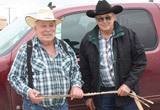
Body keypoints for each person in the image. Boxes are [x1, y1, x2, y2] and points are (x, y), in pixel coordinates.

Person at [8, 8, 83, 110]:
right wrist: (28, 92)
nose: (48, 29)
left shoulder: (65, 47)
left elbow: (75, 71)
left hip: (62, 106)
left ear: (55, 27)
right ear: (35, 29)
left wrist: (76, 85)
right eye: (43, 26)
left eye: (51, 25)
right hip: (35, 107)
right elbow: (14, 77)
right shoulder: (26, 49)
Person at [79, 0, 147, 110]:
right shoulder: (87, 40)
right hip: (102, 95)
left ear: (114, 17)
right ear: (96, 20)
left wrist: (128, 84)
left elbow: (140, 62)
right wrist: (89, 95)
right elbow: (84, 71)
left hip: (126, 93)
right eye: (100, 18)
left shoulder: (129, 35)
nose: (104, 21)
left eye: (108, 17)